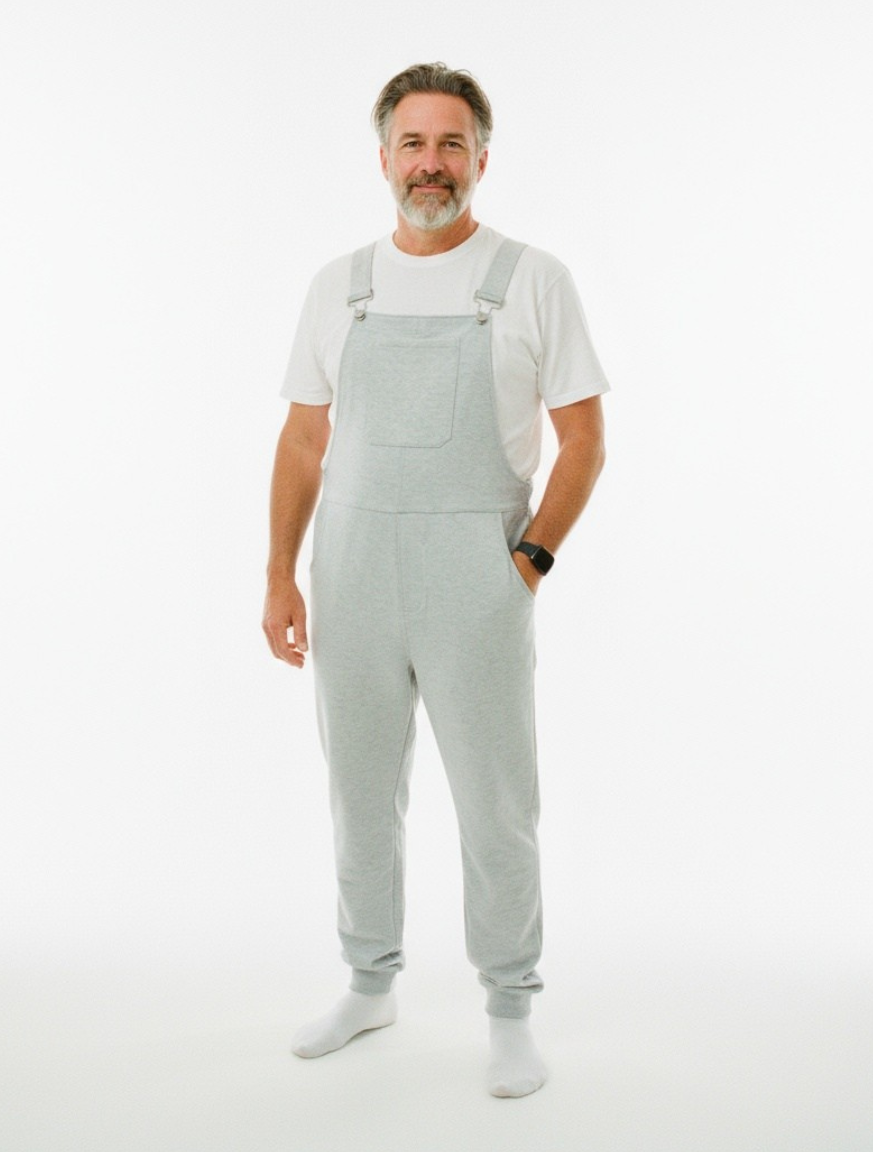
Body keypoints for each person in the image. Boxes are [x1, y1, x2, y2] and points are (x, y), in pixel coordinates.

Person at [262, 62, 610, 1098]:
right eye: (412, 144)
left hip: (477, 576)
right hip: (355, 569)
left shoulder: (530, 277)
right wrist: (280, 573)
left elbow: (582, 441)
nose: (430, 163)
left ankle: (509, 1007)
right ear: (383, 160)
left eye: (450, 143)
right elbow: (300, 440)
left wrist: (526, 561)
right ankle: (369, 982)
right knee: (359, 793)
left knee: (495, 801)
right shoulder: (340, 285)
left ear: (480, 159)